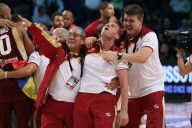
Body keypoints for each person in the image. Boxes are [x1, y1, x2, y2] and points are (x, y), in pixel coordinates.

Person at [101, 4, 166, 128]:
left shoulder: (149, 35)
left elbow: (142, 57)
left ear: (140, 21)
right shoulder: (122, 35)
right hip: (132, 93)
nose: (127, 23)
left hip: (152, 89)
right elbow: (107, 45)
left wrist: (118, 54)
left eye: (131, 21)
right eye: (125, 20)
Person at [74, 22, 129, 128]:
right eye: (107, 25)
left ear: (116, 36)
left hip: (105, 98)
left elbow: (124, 83)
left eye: (113, 26)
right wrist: (86, 39)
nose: (108, 25)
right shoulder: (88, 46)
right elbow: (69, 44)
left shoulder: (118, 54)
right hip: (82, 96)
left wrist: (124, 110)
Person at [0, 3, 35, 128]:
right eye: (9, 12)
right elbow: (32, 50)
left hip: (2, 84)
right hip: (21, 83)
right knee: (24, 124)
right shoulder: (19, 28)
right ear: (5, 14)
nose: (10, 15)